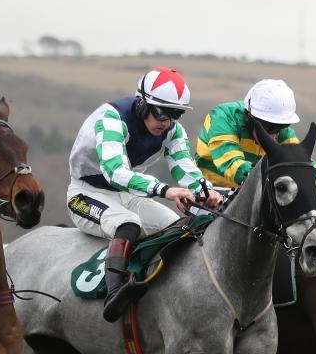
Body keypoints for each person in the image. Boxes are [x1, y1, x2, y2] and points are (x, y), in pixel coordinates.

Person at [67, 67, 222, 322]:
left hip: (129, 195)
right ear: (141, 103)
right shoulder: (111, 118)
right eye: (162, 112)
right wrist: (164, 190)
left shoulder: (173, 130)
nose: (167, 122)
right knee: (128, 224)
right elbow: (115, 172)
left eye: (176, 114)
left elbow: (185, 168)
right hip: (86, 194)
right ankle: (114, 293)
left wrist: (206, 192)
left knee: (179, 227)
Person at [195, 78, 307, 188]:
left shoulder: (280, 129)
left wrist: (315, 172)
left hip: (249, 191)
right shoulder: (223, 117)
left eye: (281, 127)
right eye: (269, 128)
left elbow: (300, 160)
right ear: (249, 117)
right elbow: (232, 164)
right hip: (210, 190)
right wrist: (272, 175)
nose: (274, 135)